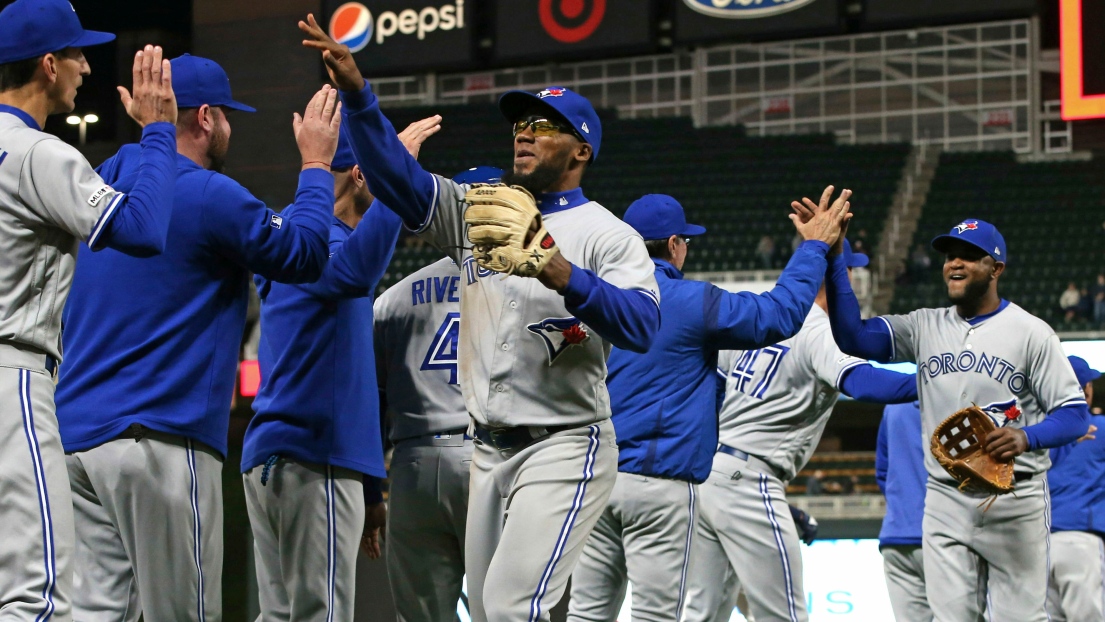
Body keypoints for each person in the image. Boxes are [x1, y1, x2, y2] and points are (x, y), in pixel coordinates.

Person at [298, 15, 661, 621]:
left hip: (565, 444)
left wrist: (561, 272)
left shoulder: (608, 234)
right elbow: (399, 180)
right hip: (485, 450)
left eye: (543, 126)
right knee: (494, 613)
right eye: (520, 124)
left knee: (512, 607)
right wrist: (361, 96)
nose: (523, 133)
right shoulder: (479, 209)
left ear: (581, 148)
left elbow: (643, 327)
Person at [56, 56, 343, 621]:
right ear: (206, 118)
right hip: (158, 440)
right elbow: (306, 254)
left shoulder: (99, 185)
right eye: (228, 117)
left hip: (77, 445)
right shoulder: (209, 192)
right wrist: (315, 164)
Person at [566, 190, 852, 622]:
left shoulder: (597, 298)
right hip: (657, 482)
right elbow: (781, 314)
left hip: (595, 476)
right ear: (676, 245)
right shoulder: (689, 300)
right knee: (656, 615)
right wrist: (813, 247)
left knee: (586, 614)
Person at [0, 0, 179, 616]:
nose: (85, 66)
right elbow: (144, 228)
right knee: (39, 594)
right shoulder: (35, 152)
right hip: (12, 379)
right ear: (48, 65)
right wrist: (158, 131)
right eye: (76, 54)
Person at [823, 217, 1090, 621]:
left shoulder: (1032, 333)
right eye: (950, 256)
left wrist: (1026, 438)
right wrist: (834, 258)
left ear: (996, 268)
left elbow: (1073, 415)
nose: (955, 264)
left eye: (970, 256)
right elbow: (853, 338)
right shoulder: (923, 325)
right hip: (946, 495)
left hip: (1016, 498)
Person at [241, 122, 439, 621]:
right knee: (319, 614)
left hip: (286, 454)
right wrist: (399, 173)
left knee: (281, 614)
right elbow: (355, 271)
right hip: (313, 455)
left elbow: (352, 378)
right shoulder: (322, 240)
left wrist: (371, 488)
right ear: (359, 175)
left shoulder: (292, 235)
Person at [682, 236, 917, 622]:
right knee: (784, 614)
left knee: (702, 613)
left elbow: (710, 387)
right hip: (749, 479)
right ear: (847, 276)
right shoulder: (818, 328)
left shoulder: (760, 319)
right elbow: (861, 383)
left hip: (711, 476)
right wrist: (930, 380)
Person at [372, 165, 503, 621]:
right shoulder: (523, 282)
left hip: (412, 465)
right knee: (504, 611)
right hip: (491, 457)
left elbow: (374, 402)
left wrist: (374, 491)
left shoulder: (394, 297)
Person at [1046, 356, 1105, 622]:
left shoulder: (1034, 435)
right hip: (1079, 540)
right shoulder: (1100, 429)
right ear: (1085, 390)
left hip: (1035, 543)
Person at [876, 400, 932, 622]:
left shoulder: (893, 407)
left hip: (896, 536)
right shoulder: (959, 400)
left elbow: (883, 472)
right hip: (947, 536)